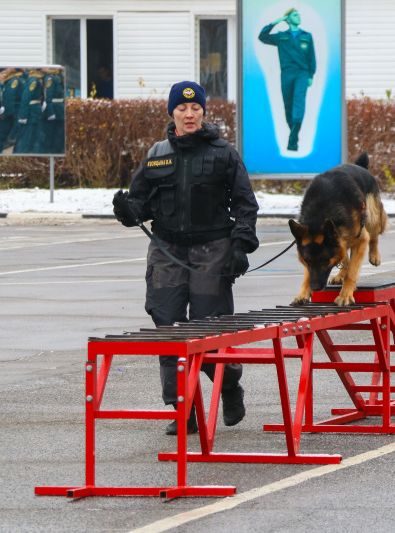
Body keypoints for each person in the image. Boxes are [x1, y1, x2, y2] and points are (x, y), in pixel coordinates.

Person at [112, 81, 259, 435]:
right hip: (167, 251)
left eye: (195, 109)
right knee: (169, 330)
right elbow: (141, 204)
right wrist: (126, 209)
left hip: (213, 251)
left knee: (209, 332)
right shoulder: (157, 153)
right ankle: (182, 409)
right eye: (182, 108)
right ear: (172, 112)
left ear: (204, 112)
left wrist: (240, 248)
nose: (189, 114)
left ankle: (228, 386)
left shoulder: (225, 154)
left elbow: (245, 206)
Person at [259, 8, 316, 151]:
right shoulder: (281, 36)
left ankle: (292, 141)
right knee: (288, 105)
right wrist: (276, 22)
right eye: (295, 15)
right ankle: (294, 135)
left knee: (299, 104)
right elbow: (263, 36)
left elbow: (311, 58)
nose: (299, 17)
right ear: (288, 19)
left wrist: (310, 75)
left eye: (299, 14)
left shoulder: (307, 36)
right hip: (287, 74)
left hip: (302, 73)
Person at [15, 68, 45, 154]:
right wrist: (23, 116)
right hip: (30, 115)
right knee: (26, 141)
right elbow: (26, 98)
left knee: (32, 141)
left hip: (34, 114)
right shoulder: (34, 81)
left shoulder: (37, 79)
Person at [40, 67, 66, 154]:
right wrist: (50, 112)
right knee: (50, 135)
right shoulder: (50, 78)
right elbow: (48, 96)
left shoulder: (58, 77)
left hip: (60, 110)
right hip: (54, 109)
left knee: (59, 136)